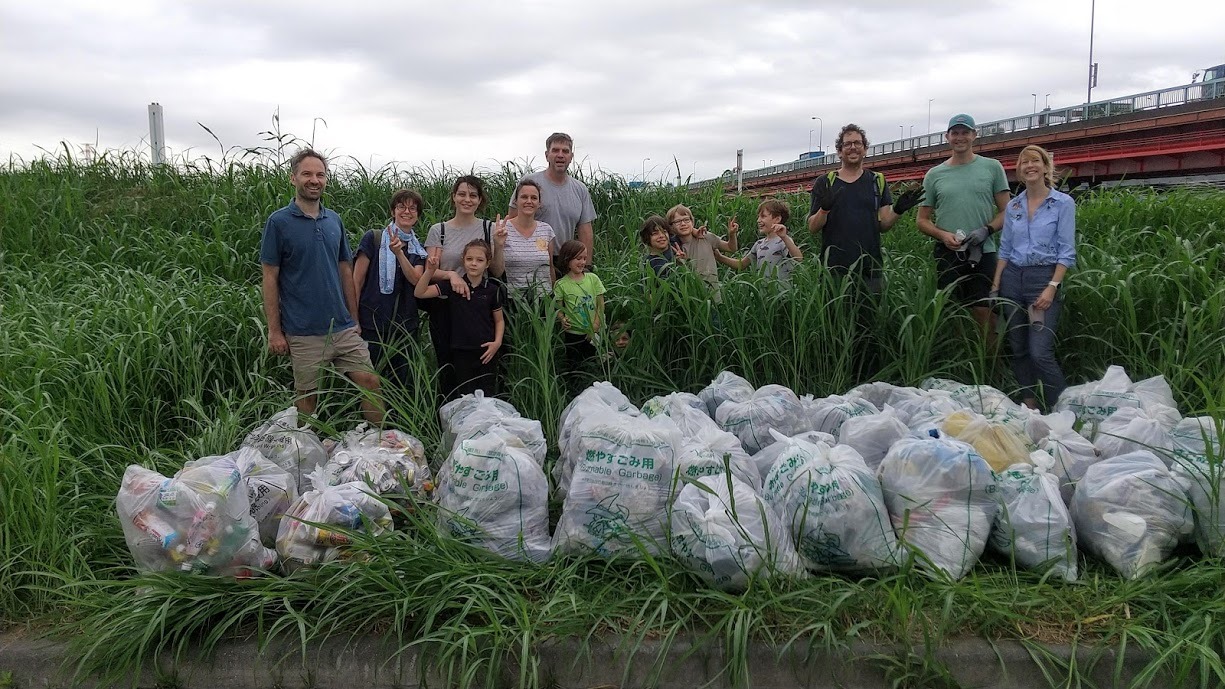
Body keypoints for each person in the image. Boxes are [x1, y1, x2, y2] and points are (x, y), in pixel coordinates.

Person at [260, 149, 383, 424]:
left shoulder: (334, 220)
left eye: (320, 174)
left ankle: (379, 448)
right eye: (307, 174)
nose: (314, 180)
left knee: (370, 381)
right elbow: (269, 277)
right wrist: (274, 331)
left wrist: (353, 318)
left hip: (342, 327)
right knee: (307, 397)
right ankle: (306, 456)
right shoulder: (279, 222)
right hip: (303, 331)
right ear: (293, 178)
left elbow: (345, 269)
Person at [991, 145, 1076, 410]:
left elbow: (1067, 251)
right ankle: (1030, 406)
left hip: (1043, 279)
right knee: (1018, 347)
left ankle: (1063, 408)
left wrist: (1052, 287)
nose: (1030, 166)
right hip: (1012, 279)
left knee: (1040, 352)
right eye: (1024, 162)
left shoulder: (1062, 203)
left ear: (1045, 167)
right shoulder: (1014, 206)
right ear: (1019, 170)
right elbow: (1004, 249)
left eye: (1035, 161)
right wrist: (996, 284)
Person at [917, 114, 1010, 341]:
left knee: (985, 312)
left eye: (965, 132)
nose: (960, 138)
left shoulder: (992, 168)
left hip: (983, 252)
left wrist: (986, 230)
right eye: (955, 133)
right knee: (952, 314)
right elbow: (922, 220)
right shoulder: (934, 175)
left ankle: (990, 370)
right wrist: (942, 235)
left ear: (974, 135)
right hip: (948, 253)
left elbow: (1007, 211)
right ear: (947, 137)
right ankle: (959, 366)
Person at [807, 124, 924, 288]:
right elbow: (812, 227)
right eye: (847, 144)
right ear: (839, 152)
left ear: (865, 149)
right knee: (836, 314)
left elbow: (883, 225)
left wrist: (898, 210)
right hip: (834, 270)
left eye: (857, 143)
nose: (853, 147)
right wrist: (824, 209)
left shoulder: (877, 181)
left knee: (869, 313)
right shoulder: (825, 182)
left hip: (870, 269)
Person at [424, 176, 505, 400]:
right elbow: (430, 270)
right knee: (449, 368)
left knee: (482, 368)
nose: (467, 199)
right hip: (446, 308)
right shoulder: (438, 230)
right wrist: (451, 275)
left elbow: (496, 271)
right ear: (453, 197)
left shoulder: (489, 229)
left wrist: (498, 245)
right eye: (462, 194)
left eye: (473, 195)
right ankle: (448, 420)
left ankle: (483, 420)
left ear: (480, 200)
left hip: (479, 309)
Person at [352, 189, 428, 391]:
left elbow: (416, 279)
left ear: (418, 215)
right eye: (401, 206)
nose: (407, 211)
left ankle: (397, 422)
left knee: (403, 382)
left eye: (413, 208)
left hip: (405, 326)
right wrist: (354, 319)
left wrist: (399, 254)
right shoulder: (373, 239)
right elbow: (356, 281)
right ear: (393, 211)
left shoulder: (417, 249)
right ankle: (371, 423)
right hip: (372, 323)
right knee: (370, 381)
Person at [414, 240, 504, 401]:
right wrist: (429, 271)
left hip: (487, 351)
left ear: (487, 263)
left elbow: (499, 321)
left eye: (479, 260)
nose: (474, 264)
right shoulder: (453, 286)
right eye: (469, 259)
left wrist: (497, 343)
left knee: (487, 396)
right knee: (463, 395)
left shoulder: (492, 290)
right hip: (460, 350)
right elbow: (420, 293)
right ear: (463, 260)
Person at [509, 133, 598, 260]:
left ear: (571, 157)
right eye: (555, 150)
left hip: (568, 261)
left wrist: (586, 265)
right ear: (547, 155)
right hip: (532, 258)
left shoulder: (580, 189)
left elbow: (586, 232)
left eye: (565, 151)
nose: (560, 155)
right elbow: (512, 220)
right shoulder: (529, 183)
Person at [553, 239, 606, 391]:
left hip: (592, 332)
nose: (582, 262)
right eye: (578, 258)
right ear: (567, 259)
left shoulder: (592, 279)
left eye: (584, 258)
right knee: (574, 365)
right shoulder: (561, 284)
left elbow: (600, 303)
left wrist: (596, 324)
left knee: (593, 363)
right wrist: (563, 319)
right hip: (573, 334)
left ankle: (595, 390)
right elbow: (558, 308)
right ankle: (575, 392)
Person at [496, 179, 556, 303]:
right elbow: (495, 271)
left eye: (534, 198)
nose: (529, 201)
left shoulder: (546, 230)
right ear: (515, 201)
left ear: (539, 203)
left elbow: (550, 268)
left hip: (544, 300)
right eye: (524, 197)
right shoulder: (501, 228)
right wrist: (497, 244)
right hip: (513, 301)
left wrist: (555, 296)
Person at [666, 203, 738, 300]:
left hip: (714, 298)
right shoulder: (673, 248)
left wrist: (732, 234)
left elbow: (731, 248)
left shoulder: (706, 237)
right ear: (671, 227)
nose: (683, 224)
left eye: (686, 220)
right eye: (678, 222)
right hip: (691, 301)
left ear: (692, 222)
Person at [724, 200, 802, 285]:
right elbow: (741, 265)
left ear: (777, 219)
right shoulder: (759, 244)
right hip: (763, 296)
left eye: (763, 216)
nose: (758, 220)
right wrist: (719, 256)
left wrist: (784, 237)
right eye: (758, 217)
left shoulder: (784, 241)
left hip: (782, 296)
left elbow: (798, 258)